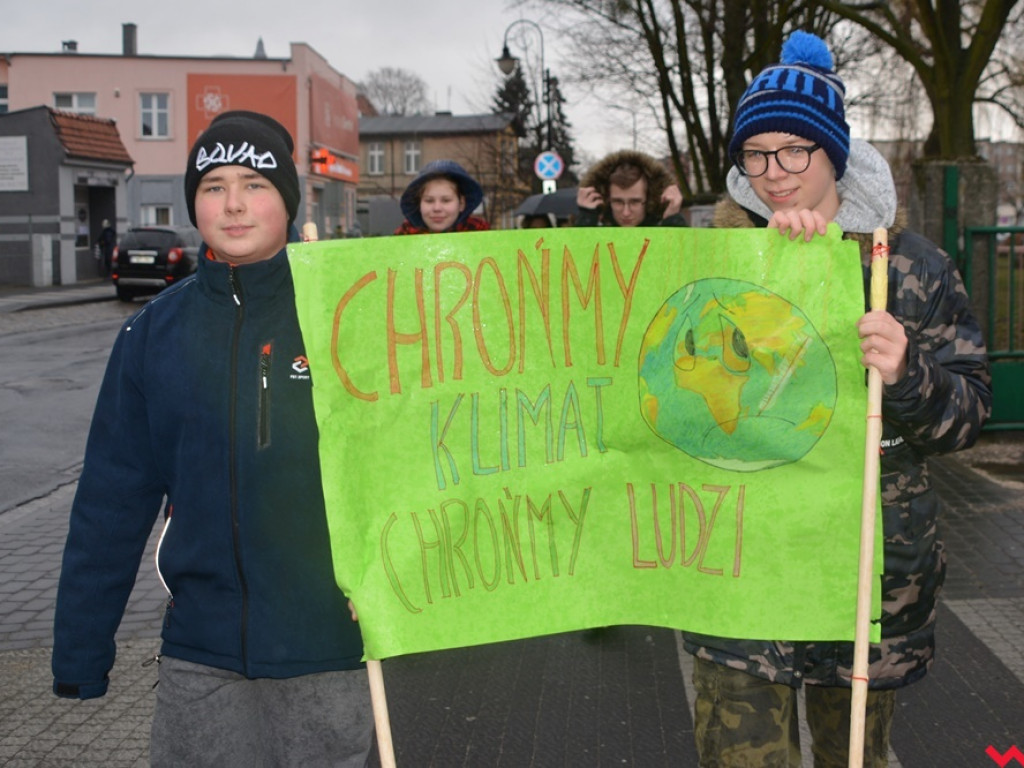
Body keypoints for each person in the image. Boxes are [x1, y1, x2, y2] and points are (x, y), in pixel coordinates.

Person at [682, 31, 992, 767]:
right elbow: (668, 401)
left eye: (795, 151)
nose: (774, 174)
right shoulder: (714, 266)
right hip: (742, 569)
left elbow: (969, 416)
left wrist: (908, 371)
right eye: (755, 155)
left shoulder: (909, 267)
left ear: (835, 154)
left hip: (865, 574)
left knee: (853, 755)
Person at [52, 110, 374, 767]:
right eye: (213, 186)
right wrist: (80, 648)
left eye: (255, 185)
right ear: (193, 202)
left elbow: (405, 465)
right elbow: (111, 500)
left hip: (330, 649)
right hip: (200, 657)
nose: (233, 204)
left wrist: (391, 583)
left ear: (289, 200)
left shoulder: (349, 316)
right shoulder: (153, 335)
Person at [575, 149, 688, 227]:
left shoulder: (665, 228)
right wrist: (586, 218)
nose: (626, 213)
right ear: (606, 200)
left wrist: (673, 218)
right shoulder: (594, 227)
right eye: (618, 202)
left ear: (650, 199)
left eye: (635, 202)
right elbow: (576, 253)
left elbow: (687, 253)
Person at [394, 159, 490, 234]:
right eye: (429, 201)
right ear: (419, 204)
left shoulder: (480, 233)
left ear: (461, 204)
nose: (437, 208)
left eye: (446, 200)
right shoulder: (404, 236)